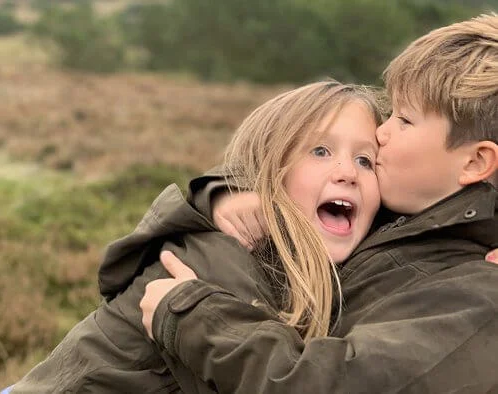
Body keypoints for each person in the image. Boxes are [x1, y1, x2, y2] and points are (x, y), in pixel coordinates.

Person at [139, 13, 498, 393]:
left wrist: (191, 317)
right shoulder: (401, 219)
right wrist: (231, 192)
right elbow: (278, 162)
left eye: (404, 120)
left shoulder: (476, 295)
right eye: (389, 113)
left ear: (475, 162)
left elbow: (328, 384)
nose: (382, 130)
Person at [8, 80, 385, 393]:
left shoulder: (322, 263)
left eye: (365, 160)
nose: (346, 172)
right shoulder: (222, 258)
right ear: (270, 170)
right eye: (320, 151)